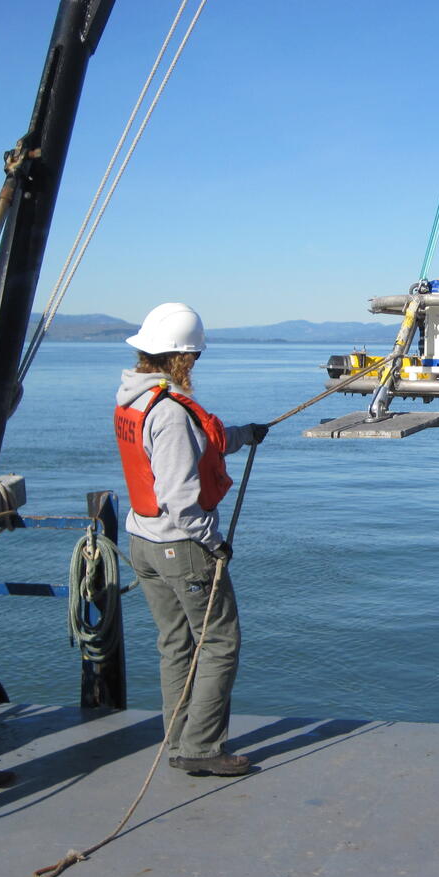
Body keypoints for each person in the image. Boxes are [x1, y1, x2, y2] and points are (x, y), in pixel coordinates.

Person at [114, 302, 268, 777]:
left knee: (175, 642)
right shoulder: (172, 413)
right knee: (220, 641)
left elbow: (207, 441)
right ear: (184, 358)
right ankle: (201, 748)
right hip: (180, 545)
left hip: (142, 543)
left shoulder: (133, 400)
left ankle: (179, 737)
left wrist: (247, 434)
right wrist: (212, 542)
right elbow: (181, 498)